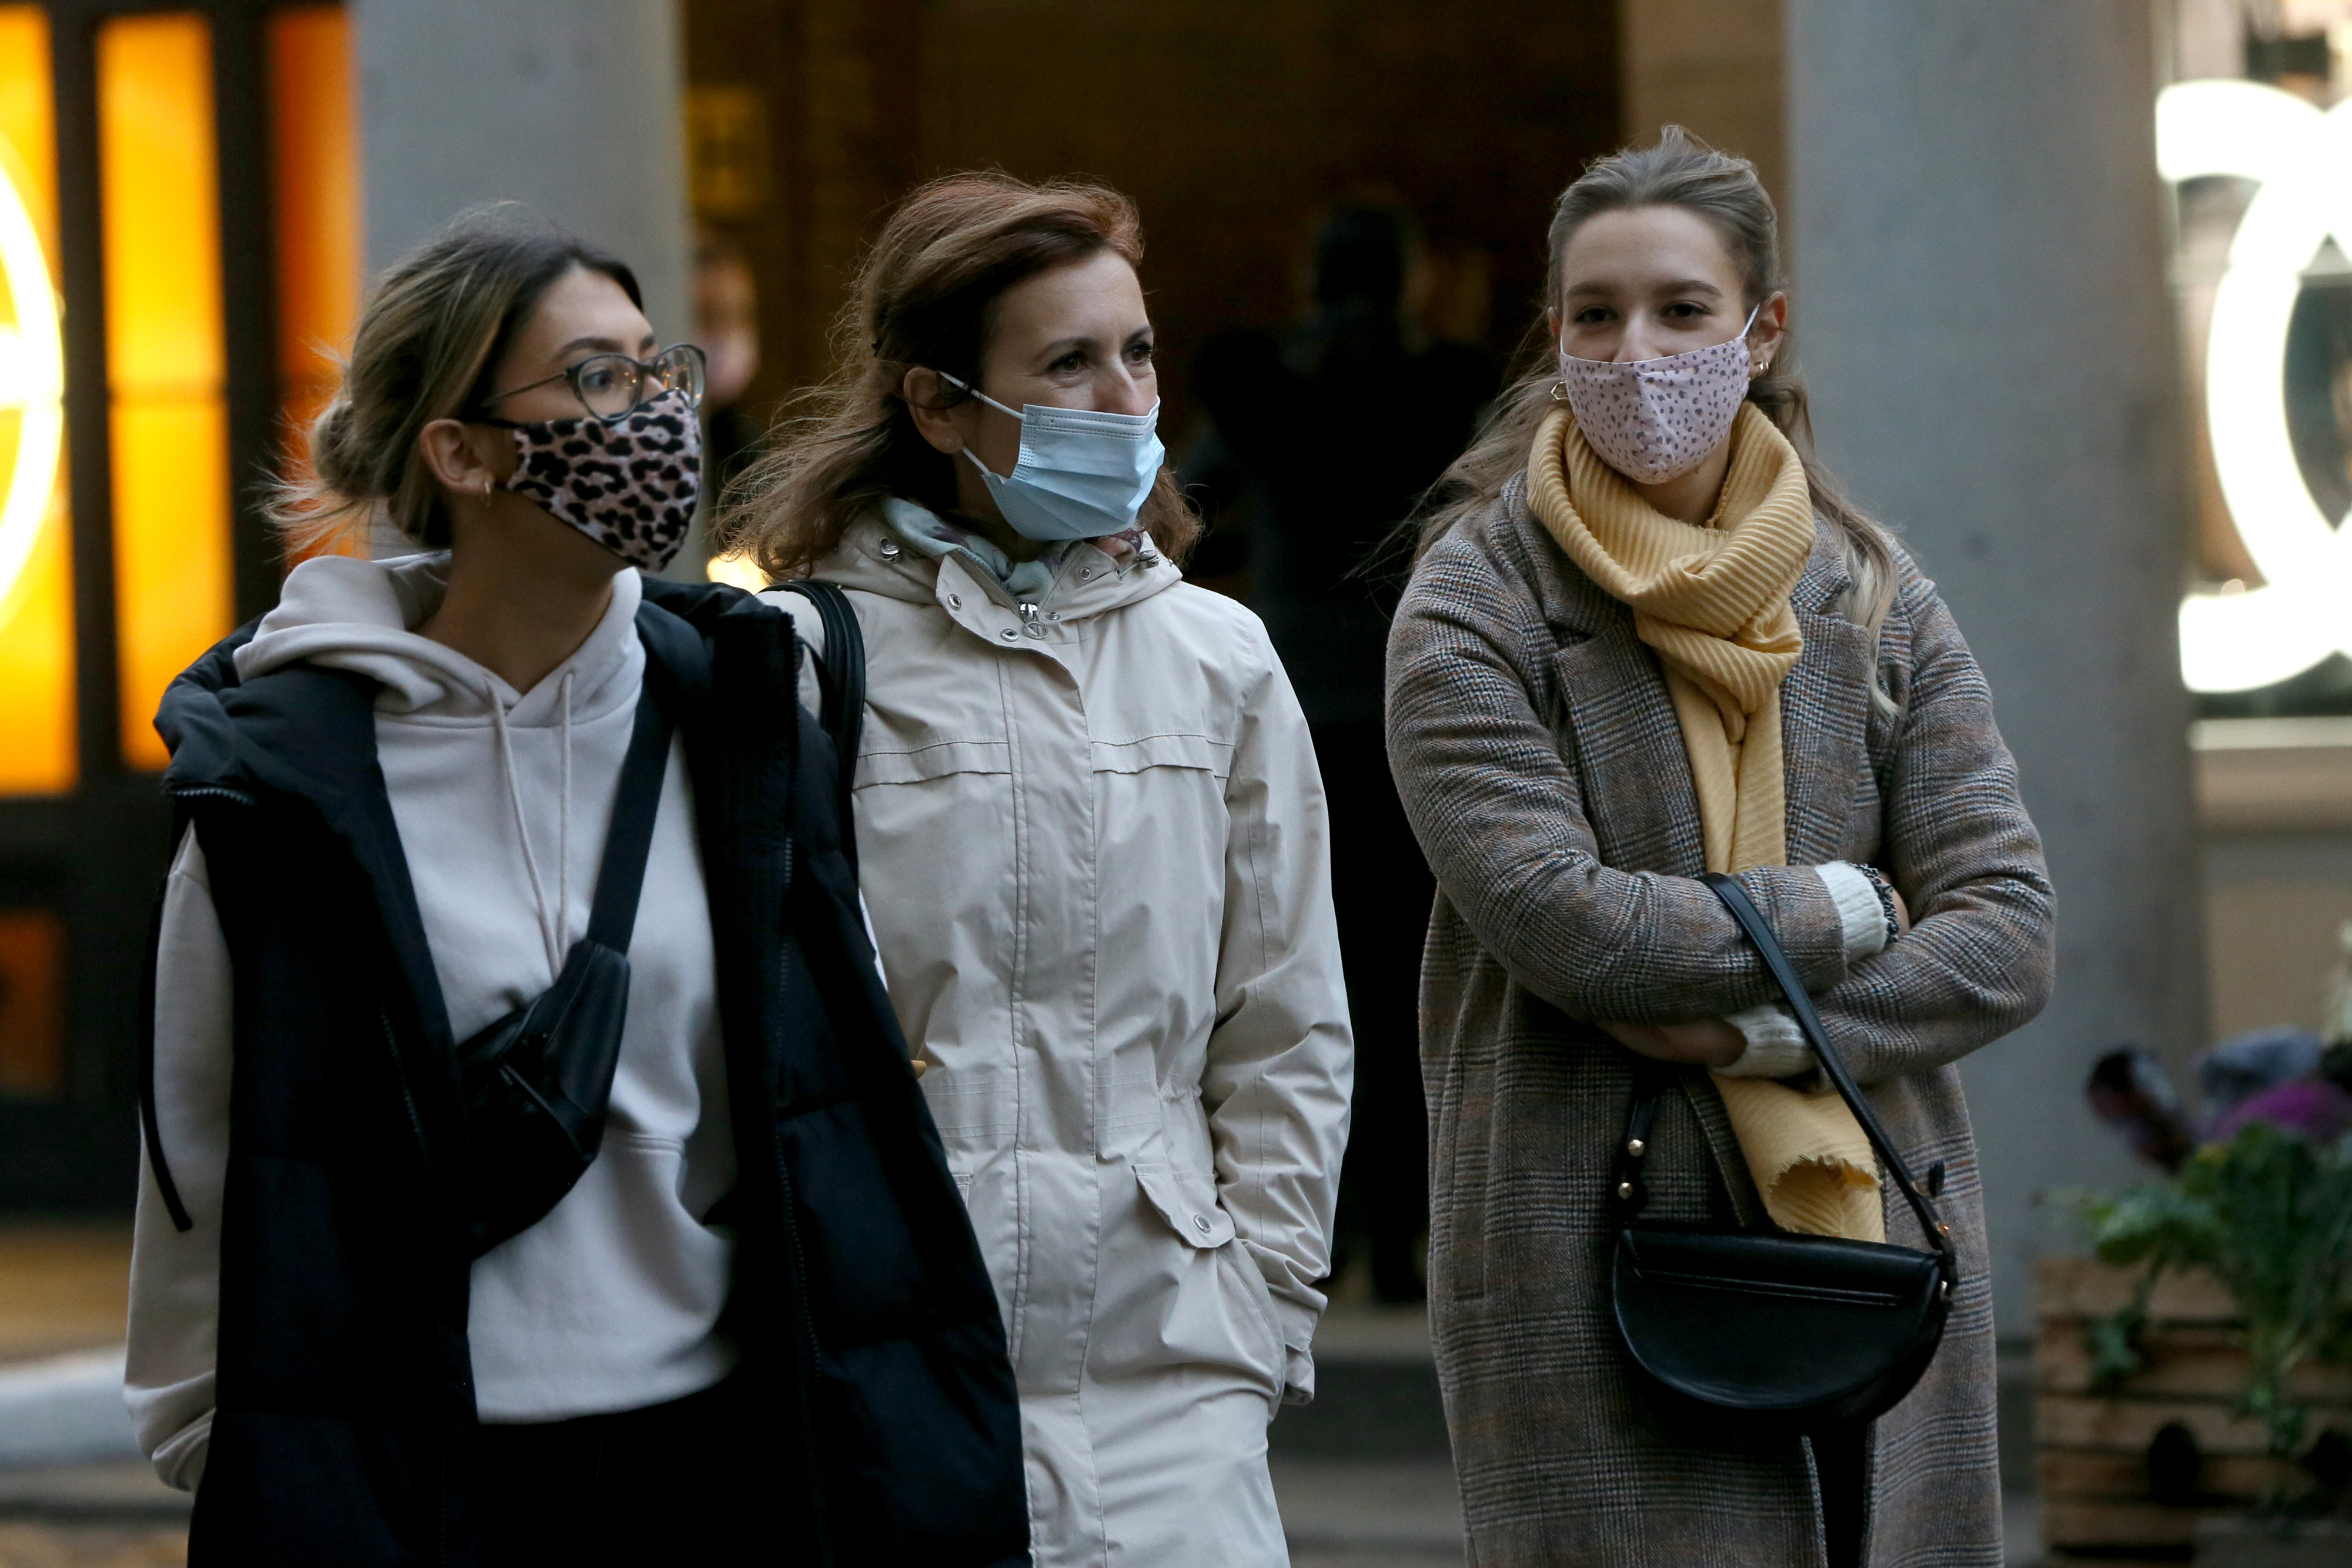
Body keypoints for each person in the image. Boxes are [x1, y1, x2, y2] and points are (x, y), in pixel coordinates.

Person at [124, 209, 1027, 1567]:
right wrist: (241, 1450)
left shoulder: (741, 719)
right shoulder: (286, 779)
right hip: (421, 1476)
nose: (657, 413)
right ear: (463, 451)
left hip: (709, 1461)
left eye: (656, 368)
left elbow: (828, 1103)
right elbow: (202, 1147)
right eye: (596, 380)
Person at [1384, 129, 2055, 1566]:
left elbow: (2004, 931)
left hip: (1874, 1239)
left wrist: (1743, 1032)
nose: (1635, 352)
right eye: (1593, 314)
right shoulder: (1473, 602)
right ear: (1552, 334)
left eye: (1680, 309)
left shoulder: (1870, 593)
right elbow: (1571, 926)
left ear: (1761, 330)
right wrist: (1845, 904)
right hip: (1589, 1247)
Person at [727, 171, 1354, 1568]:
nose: (1122, 393)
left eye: (1134, 351)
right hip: (885, 1363)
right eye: (1065, 361)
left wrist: (1261, 1309)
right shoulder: (805, 664)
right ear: (937, 404)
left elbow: (1285, 1021)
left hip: (1173, 1377)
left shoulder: (1220, 660)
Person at [1187, 200, 1498, 1302]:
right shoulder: (1450, 386)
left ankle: (1341, 1232)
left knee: (1312, 972)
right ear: (1411, 273)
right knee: (1420, 970)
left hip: (1302, 706)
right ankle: (1416, 1237)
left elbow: (1190, 499)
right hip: (1422, 700)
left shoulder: (1267, 384)